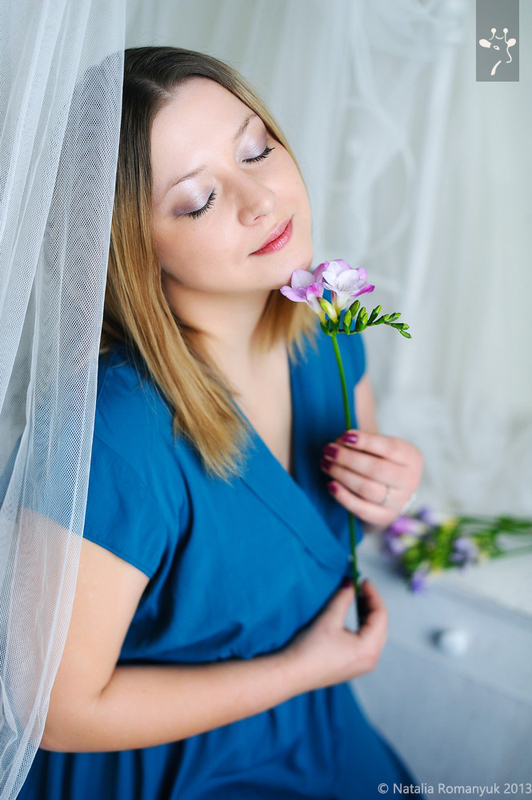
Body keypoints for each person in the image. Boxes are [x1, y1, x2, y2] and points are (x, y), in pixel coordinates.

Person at [19, 46, 424, 800]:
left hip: (312, 725)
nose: (260, 198)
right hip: (167, 768)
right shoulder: (115, 437)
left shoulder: (330, 336)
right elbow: (58, 714)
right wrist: (299, 670)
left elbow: (319, 532)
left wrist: (388, 488)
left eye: (256, 149)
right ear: (133, 249)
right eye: (200, 198)